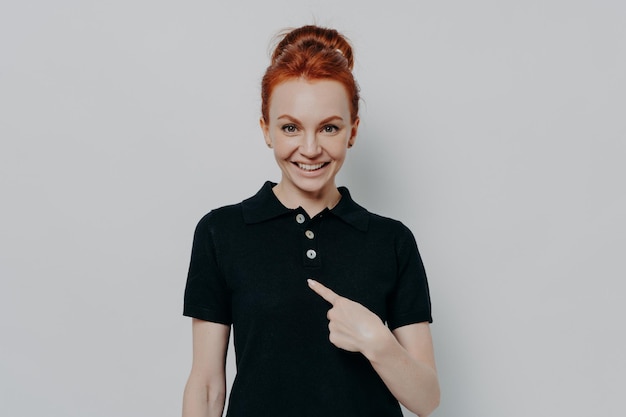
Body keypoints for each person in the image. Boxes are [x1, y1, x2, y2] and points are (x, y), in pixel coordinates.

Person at [182, 25, 440, 417]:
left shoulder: (391, 240)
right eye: (290, 127)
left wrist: (378, 341)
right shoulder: (221, 232)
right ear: (266, 130)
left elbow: (427, 399)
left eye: (329, 128)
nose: (310, 148)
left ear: (352, 132)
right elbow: (206, 386)